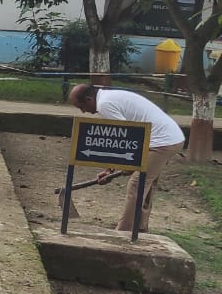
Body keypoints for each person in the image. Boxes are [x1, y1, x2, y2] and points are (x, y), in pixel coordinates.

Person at [68, 84, 185, 233]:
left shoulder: (104, 104)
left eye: (82, 106)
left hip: (163, 142)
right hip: (165, 138)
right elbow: (126, 138)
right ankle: (140, 226)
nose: (83, 111)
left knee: (137, 184)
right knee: (145, 181)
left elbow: (125, 137)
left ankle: (124, 232)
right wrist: (111, 169)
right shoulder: (108, 97)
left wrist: (118, 168)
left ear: (89, 99)